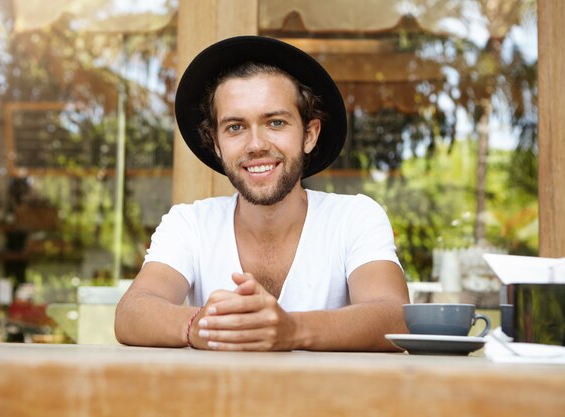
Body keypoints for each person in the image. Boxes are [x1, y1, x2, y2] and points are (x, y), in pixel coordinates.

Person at [115, 36, 409, 351]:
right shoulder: (189, 223)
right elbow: (131, 312)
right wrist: (195, 325)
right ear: (216, 144)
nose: (256, 144)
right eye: (235, 127)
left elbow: (396, 318)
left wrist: (292, 329)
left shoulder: (354, 218)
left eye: (275, 122)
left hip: (330, 401)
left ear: (309, 135)